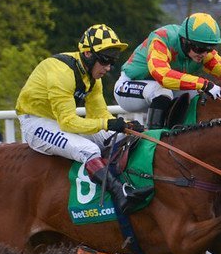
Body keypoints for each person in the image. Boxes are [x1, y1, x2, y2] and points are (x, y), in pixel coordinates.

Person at [15, 24, 151, 215]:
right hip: (35, 122)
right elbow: (68, 122)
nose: (108, 68)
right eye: (104, 60)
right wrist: (108, 124)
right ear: (88, 54)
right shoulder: (62, 73)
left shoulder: (93, 77)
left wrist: (124, 126)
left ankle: (131, 182)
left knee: (118, 137)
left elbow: (100, 115)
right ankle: (120, 195)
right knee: (89, 149)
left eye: (112, 61)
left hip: (57, 121)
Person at [113, 12, 221, 129]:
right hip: (127, 87)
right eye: (200, 48)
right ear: (184, 41)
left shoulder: (203, 53)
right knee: (162, 91)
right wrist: (204, 84)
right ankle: (153, 139)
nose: (204, 54)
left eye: (209, 48)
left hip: (160, 93)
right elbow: (163, 76)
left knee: (196, 96)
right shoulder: (162, 38)